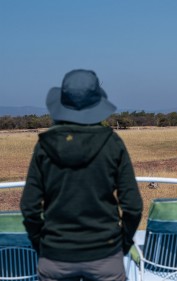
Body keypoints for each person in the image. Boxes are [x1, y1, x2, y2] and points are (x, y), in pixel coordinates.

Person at [20, 69, 143, 281]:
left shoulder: (44, 146)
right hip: (105, 253)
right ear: (97, 104)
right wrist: (121, 243)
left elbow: (29, 207)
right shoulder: (112, 144)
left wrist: (42, 243)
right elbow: (133, 206)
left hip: (55, 255)